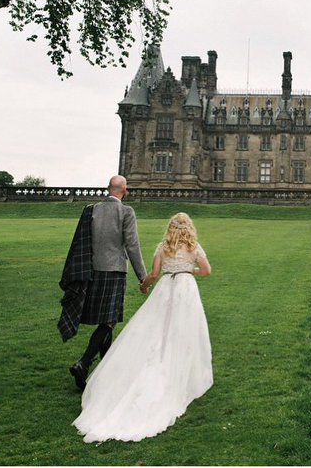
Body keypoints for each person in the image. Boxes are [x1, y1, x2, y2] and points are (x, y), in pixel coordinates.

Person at [73, 212, 213, 443]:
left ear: (170, 227)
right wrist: (189, 270)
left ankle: (157, 361)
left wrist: (144, 285)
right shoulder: (194, 247)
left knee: (156, 328)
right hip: (186, 288)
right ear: (189, 228)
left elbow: (154, 274)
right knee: (184, 331)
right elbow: (206, 270)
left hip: (166, 287)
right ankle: (180, 370)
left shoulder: (162, 246)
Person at [58, 175, 148, 391]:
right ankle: (84, 363)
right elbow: (132, 246)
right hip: (114, 271)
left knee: (107, 321)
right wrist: (142, 276)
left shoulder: (91, 209)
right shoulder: (126, 212)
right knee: (108, 321)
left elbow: (80, 243)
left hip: (92, 271)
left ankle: (105, 370)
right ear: (124, 191)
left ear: (108, 189)